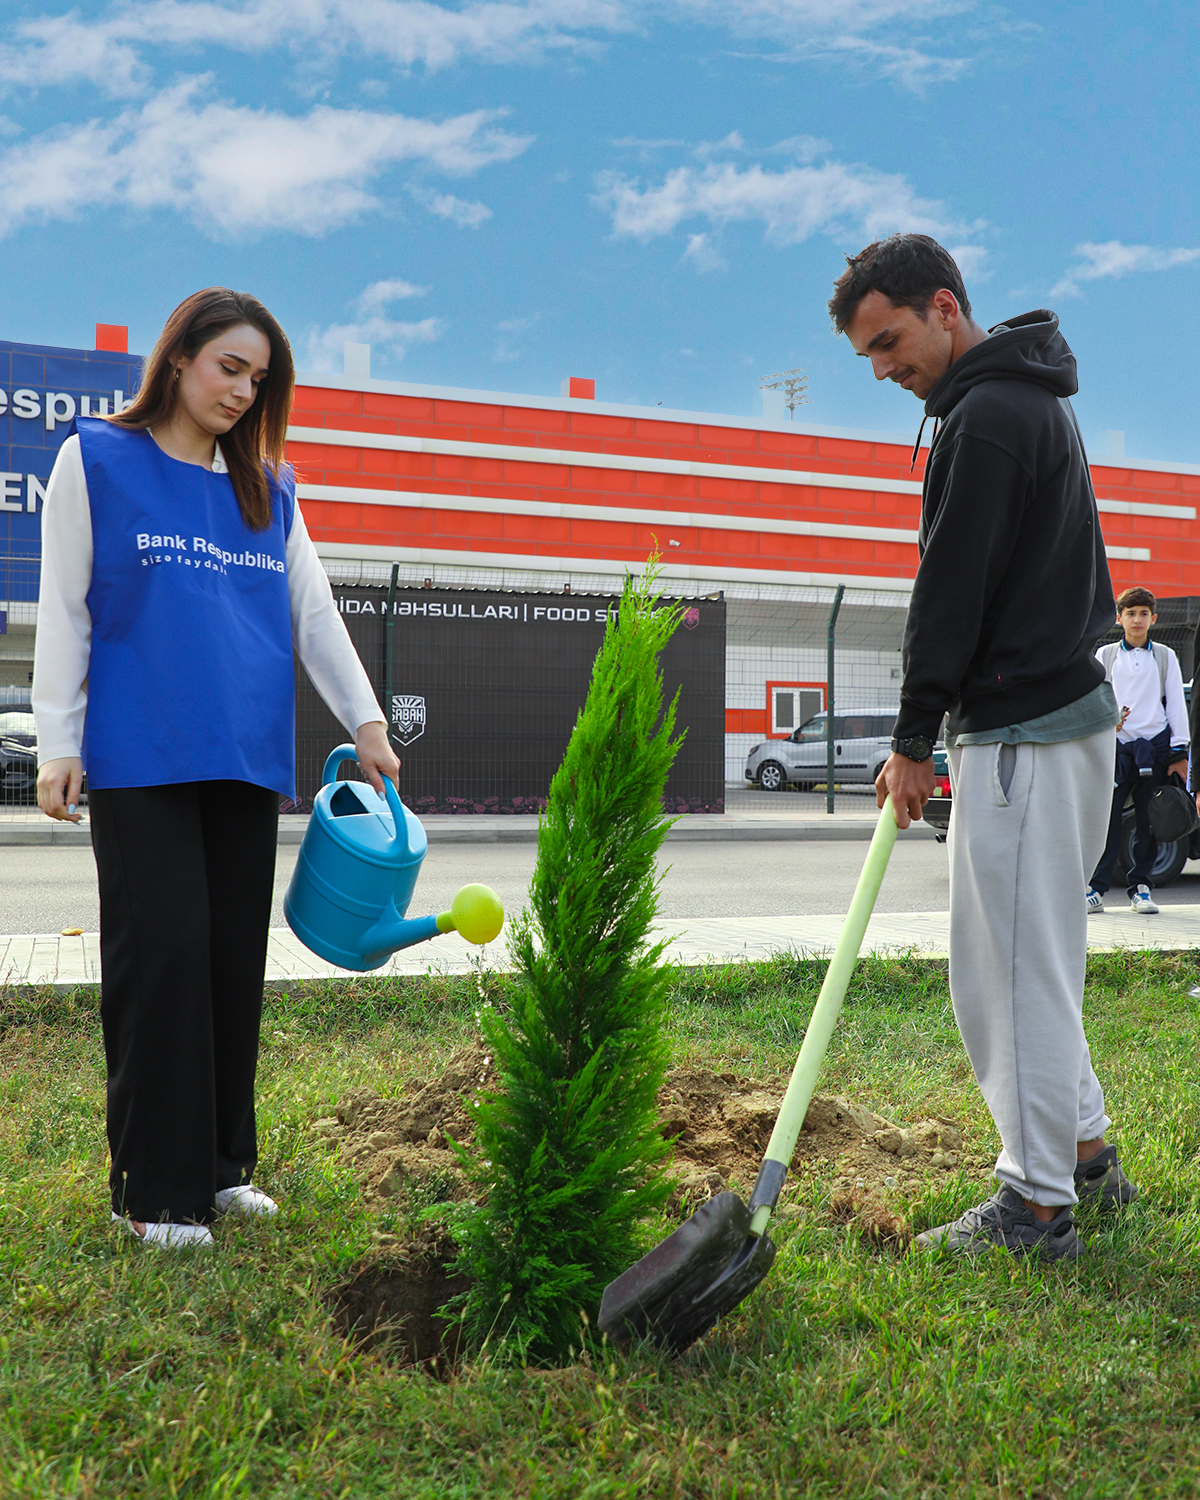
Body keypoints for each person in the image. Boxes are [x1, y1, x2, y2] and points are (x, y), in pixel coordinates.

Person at [34, 288, 397, 1250]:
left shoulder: (266, 489)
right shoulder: (98, 459)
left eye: (258, 379)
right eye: (228, 367)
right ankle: (151, 1193)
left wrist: (365, 720)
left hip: (244, 757)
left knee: (232, 962)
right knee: (163, 962)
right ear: (181, 356)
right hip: (138, 756)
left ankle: (224, 1168)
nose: (241, 391)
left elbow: (312, 615)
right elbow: (65, 607)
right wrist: (57, 741)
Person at [829, 234, 1138, 1261]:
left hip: (1022, 736)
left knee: (1005, 977)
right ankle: (1086, 1154)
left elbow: (950, 592)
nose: (883, 368)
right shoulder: (1023, 402)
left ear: (945, 308)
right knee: (1033, 964)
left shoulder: (989, 420)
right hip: (1054, 729)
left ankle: (1037, 1206)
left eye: (890, 340)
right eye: (868, 355)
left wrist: (914, 739)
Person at [1086, 587, 1189, 915]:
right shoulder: (1104, 656)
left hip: (1155, 749)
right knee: (1107, 820)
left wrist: (1179, 752)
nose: (1137, 619)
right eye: (1131, 613)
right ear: (1119, 618)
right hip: (1115, 749)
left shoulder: (1164, 656)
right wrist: (1108, 723)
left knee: (1149, 820)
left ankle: (1141, 888)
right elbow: (1094, 700)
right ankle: (1095, 889)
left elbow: (1175, 704)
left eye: (1144, 613)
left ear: (1153, 618)